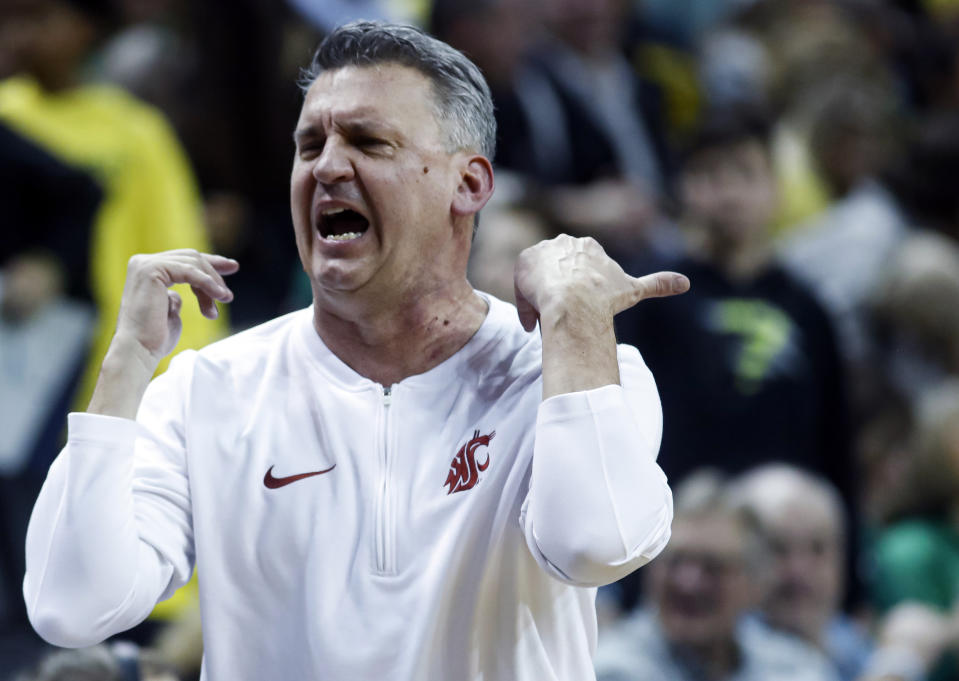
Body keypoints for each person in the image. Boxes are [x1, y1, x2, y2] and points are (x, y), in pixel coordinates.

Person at [23, 21, 689, 681]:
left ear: (470, 184)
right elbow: (71, 607)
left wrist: (573, 317)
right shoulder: (209, 388)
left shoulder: (583, 373)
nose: (328, 166)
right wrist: (123, 370)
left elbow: (594, 543)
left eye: (369, 141)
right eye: (309, 144)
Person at [613, 104, 854, 610]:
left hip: (784, 557)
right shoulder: (651, 298)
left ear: (775, 188)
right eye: (708, 175)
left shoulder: (808, 309)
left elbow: (837, 443)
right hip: (676, 549)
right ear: (683, 190)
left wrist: (854, 586)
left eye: (744, 173)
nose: (728, 193)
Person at [594, 470, 840, 681]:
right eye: (675, 562)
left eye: (712, 567)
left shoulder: (794, 667)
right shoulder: (613, 669)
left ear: (755, 583)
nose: (688, 582)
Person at [731, 465, 872, 681]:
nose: (799, 571)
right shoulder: (728, 651)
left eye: (818, 549)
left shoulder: (848, 640)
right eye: (778, 549)